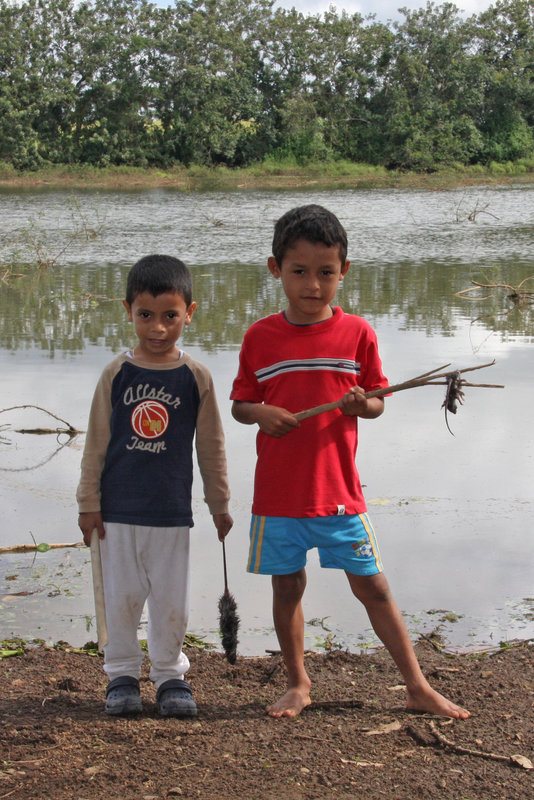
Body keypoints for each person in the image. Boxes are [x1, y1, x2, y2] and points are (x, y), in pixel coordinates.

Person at [230, 205, 470, 720]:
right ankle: (298, 682)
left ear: (344, 272)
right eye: (299, 272)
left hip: (339, 493)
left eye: (326, 273)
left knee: (373, 585)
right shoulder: (259, 337)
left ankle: (416, 685)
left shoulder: (357, 334)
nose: (312, 285)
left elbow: (378, 400)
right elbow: (241, 404)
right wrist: (261, 413)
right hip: (279, 496)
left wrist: (366, 405)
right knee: (287, 585)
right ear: (276, 270)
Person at [77, 254, 233, 717]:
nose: (158, 328)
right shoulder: (116, 373)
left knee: (171, 601)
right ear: (129, 311)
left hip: (170, 511)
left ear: (190, 312)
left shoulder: (195, 377)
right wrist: (89, 502)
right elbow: (96, 444)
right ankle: (122, 675)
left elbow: (212, 446)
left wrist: (219, 503)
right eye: (146, 315)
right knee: (120, 599)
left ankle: (169, 676)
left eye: (170, 316)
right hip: (117, 512)